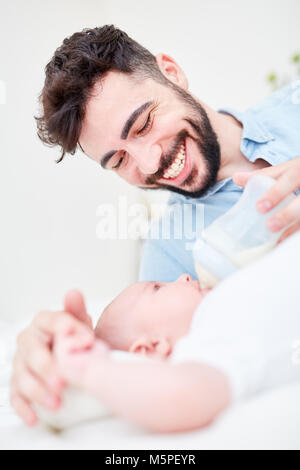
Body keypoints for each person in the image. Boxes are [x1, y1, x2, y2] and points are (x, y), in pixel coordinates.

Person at [11, 24, 300, 425]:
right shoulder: (171, 256)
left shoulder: (294, 105)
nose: (150, 165)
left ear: (172, 73)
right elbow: (155, 367)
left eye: (144, 124)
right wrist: (61, 352)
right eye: (119, 161)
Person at [53, 232, 300, 432]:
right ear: (152, 347)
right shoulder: (208, 339)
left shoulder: (213, 307)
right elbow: (186, 394)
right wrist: (90, 370)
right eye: (158, 288)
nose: (183, 276)